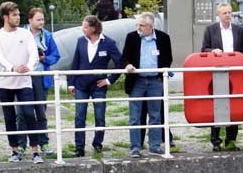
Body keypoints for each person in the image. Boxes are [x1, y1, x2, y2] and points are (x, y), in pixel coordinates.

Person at [0, 1, 43, 163]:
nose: (18, 18)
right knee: (9, 117)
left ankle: (35, 151)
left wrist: (29, 67)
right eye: (14, 15)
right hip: (4, 82)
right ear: (6, 17)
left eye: (19, 14)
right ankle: (15, 151)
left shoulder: (25, 34)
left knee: (28, 114)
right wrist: (12, 67)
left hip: (24, 81)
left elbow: (33, 53)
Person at [68, 15, 122, 157]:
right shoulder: (80, 41)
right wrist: (71, 84)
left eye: (85, 26)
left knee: (100, 115)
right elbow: (75, 63)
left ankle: (97, 143)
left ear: (93, 28)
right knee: (79, 116)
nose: (83, 29)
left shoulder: (109, 43)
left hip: (99, 85)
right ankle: (79, 147)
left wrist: (110, 80)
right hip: (81, 85)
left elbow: (120, 62)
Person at [121, 12, 173, 158]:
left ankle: (155, 146)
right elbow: (124, 57)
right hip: (137, 81)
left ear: (150, 26)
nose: (139, 28)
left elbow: (168, 58)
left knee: (156, 114)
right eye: (138, 24)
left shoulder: (163, 38)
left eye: (142, 25)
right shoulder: (132, 37)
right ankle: (135, 147)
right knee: (134, 116)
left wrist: (161, 74)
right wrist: (128, 65)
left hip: (155, 81)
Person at [201, 3, 243, 152]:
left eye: (229, 12)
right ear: (219, 15)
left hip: (235, 73)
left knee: (234, 104)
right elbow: (204, 49)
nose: (228, 15)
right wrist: (213, 50)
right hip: (217, 72)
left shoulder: (239, 30)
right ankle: (216, 141)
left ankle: (231, 140)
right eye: (224, 13)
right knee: (216, 105)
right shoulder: (210, 30)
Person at [16, 7, 60, 156]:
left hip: (40, 77)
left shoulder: (47, 35)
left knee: (40, 112)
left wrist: (44, 58)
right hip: (23, 78)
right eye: (38, 19)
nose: (41, 22)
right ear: (30, 20)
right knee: (21, 113)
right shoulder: (19, 34)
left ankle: (44, 143)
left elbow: (56, 55)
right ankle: (21, 145)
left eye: (43, 19)